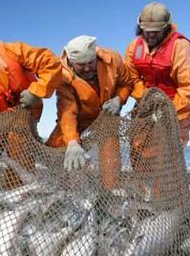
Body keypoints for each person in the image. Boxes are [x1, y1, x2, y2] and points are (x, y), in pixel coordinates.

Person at [46, 35, 133, 186]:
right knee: (54, 151)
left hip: (107, 117)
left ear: (96, 56)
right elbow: (67, 112)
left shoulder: (113, 59)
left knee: (110, 157)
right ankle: (63, 187)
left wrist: (119, 99)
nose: (87, 68)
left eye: (90, 63)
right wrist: (73, 143)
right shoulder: (61, 76)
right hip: (79, 119)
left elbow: (127, 83)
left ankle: (111, 191)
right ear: (71, 62)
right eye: (81, 64)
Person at [124, 2, 190, 145]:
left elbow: (188, 90)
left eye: (156, 31)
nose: (150, 35)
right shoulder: (134, 47)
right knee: (138, 146)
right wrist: (146, 97)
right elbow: (131, 78)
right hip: (147, 102)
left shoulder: (180, 46)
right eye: (146, 30)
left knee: (166, 149)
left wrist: (168, 112)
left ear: (166, 27)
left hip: (178, 104)